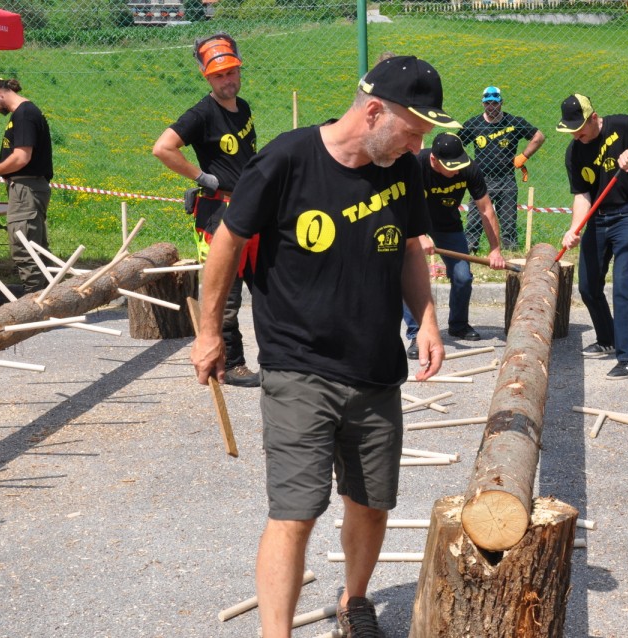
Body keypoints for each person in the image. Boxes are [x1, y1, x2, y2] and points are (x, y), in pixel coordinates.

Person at [189, 55, 454, 637]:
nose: (417, 144)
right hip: (298, 367)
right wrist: (210, 331)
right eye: (413, 130)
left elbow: (411, 247)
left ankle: (354, 602)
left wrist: (427, 320)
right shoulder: (287, 158)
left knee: (371, 502)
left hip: (376, 368)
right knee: (295, 512)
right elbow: (227, 244)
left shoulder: (403, 170)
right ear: (375, 111)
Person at [153, 33, 260, 387]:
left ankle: (277, 356)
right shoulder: (200, 114)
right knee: (225, 291)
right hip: (219, 213)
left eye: (231, 73)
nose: (227, 81)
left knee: (266, 285)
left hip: (250, 207)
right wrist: (201, 177)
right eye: (219, 76)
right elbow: (163, 148)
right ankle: (232, 363)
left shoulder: (242, 107)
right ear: (207, 77)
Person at [558, 94, 628, 380]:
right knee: (588, 286)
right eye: (572, 131)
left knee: (622, 285)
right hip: (597, 219)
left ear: (594, 117)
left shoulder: (622, 126)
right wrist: (574, 228)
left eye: (580, 129)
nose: (577, 136)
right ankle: (607, 338)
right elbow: (582, 194)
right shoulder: (574, 152)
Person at [402, 132, 506, 356]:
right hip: (413, 223)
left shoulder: (469, 168)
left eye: (459, 164)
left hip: (448, 225)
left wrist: (495, 249)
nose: (457, 170)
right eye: (451, 166)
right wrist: (419, 236)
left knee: (462, 276)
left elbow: (486, 209)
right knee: (411, 276)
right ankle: (416, 334)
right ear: (433, 160)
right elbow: (403, 205)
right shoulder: (416, 165)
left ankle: (458, 325)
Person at [0, 76, 53, 294]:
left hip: (25, 189)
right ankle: (48, 296)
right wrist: (0, 165)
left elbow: (21, 158)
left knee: (24, 246)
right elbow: (20, 155)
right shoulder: (22, 114)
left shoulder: (24, 115)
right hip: (27, 188)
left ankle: (33, 301)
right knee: (35, 246)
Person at [458, 86, 545, 252]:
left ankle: (510, 251)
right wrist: (466, 165)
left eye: (495, 103)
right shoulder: (474, 124)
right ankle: (470, 250)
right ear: (483, 104)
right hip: (481, 179)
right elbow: (456, 144)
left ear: (501, 103)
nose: (491, 107)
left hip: (507, 178)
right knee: (475, 219)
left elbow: (538, 136)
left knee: (508, 221)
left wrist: (523, 156)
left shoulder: (513, 123)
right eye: (488, 103)